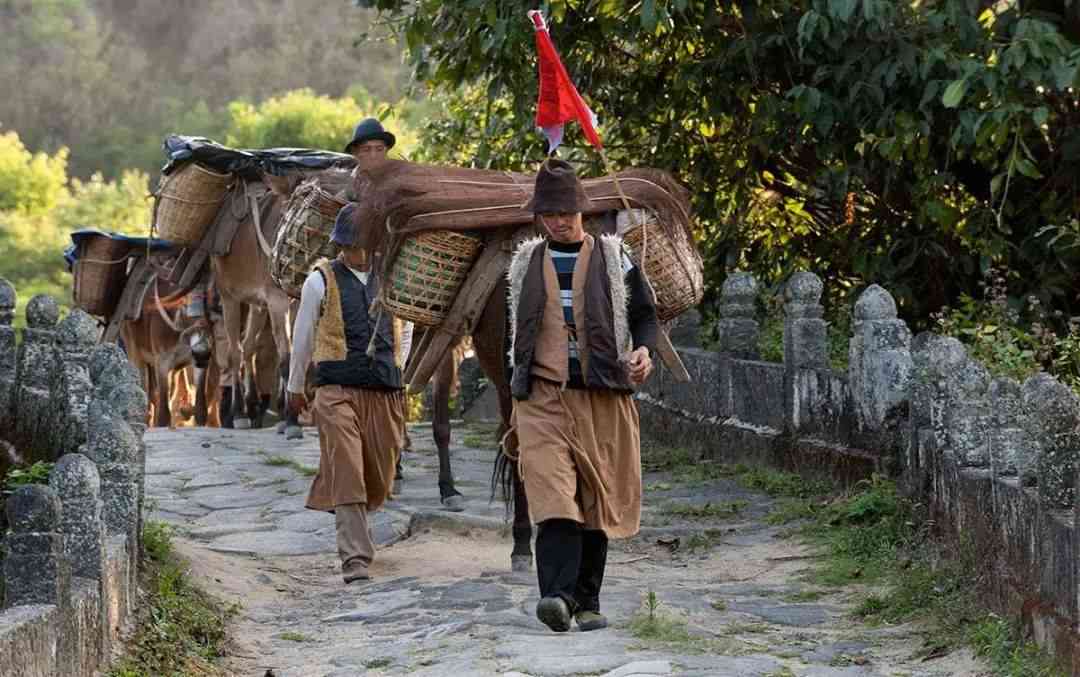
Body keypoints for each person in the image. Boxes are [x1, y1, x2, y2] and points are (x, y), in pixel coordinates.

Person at [507, 158, 659, 632]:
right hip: (542, 398)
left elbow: (646, 317)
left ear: (582, 210)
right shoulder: (524, 262)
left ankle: (586, 600)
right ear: (539, 216)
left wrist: (644, 351)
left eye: (566, 210)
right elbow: (512, 330)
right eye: (549, 212)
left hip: (603, 396)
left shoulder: (617, 258)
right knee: (553, 496)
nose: (558, 220)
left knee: (597, 498)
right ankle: (555, 596)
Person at [286, 201, 409, 584]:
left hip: (384, 390)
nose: (356, 253)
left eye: (363, 245)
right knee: (347, 466)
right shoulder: (319, 281)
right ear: (340, 245)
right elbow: (302, 337)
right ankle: (354, 556)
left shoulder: (392, 279)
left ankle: (351, 513)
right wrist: (294, 386)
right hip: (336, 389)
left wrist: (400, 369)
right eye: (349, 246)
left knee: (381, 471)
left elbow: (408, 328)